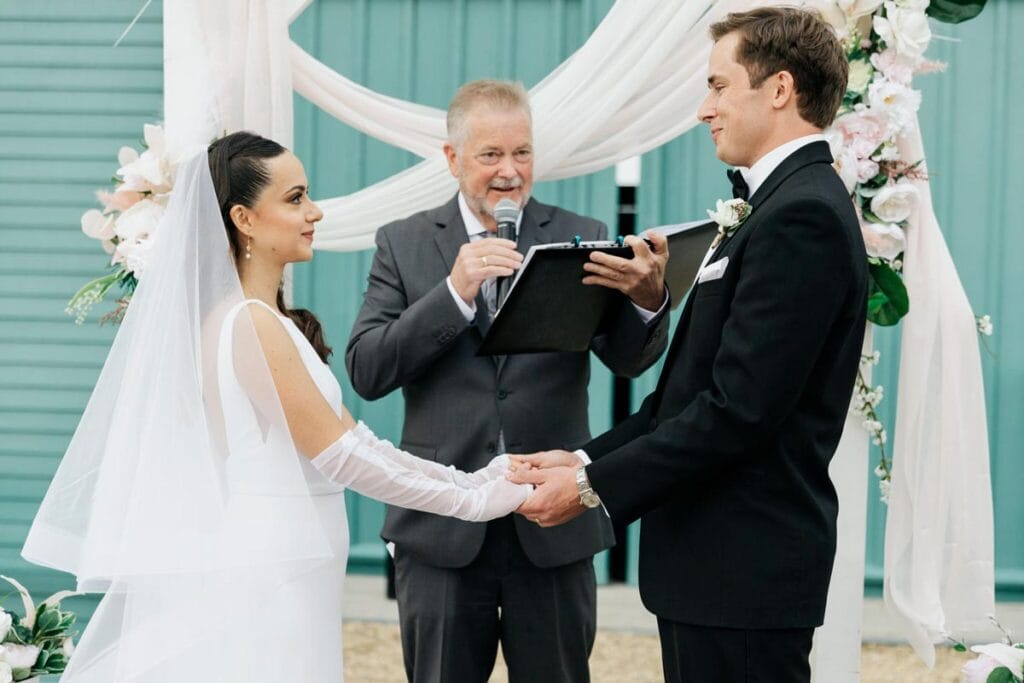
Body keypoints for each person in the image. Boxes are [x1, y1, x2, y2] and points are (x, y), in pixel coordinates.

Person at [21, 131, 532, 682]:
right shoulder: (252, 325)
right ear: (243, 219)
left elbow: (360, 443)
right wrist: (475, 502)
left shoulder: (251, 320)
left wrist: (476, 482)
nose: (313, 211)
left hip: (289, 557)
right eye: (294, 198)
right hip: (274, 565)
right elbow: (344, 458)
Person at [509, 8, 868, 682]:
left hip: (744, 571)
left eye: (718, 85)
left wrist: (587, 487)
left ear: (781, 89)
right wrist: (582, 454)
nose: (704, 108)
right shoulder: (776, 208)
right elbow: (688, 397)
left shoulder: (803, 217)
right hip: (718, 573)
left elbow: (737, 411)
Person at [345, 79, 670, 682]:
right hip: (440, 526)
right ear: (452, 158)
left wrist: (650, 301)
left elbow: (628, 360)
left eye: (521, 153)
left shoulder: (579, 232)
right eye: (490, 155)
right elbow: (367, 369)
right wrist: (452, 294)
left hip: (552, 522)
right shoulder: (405, 243)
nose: (509, 172)